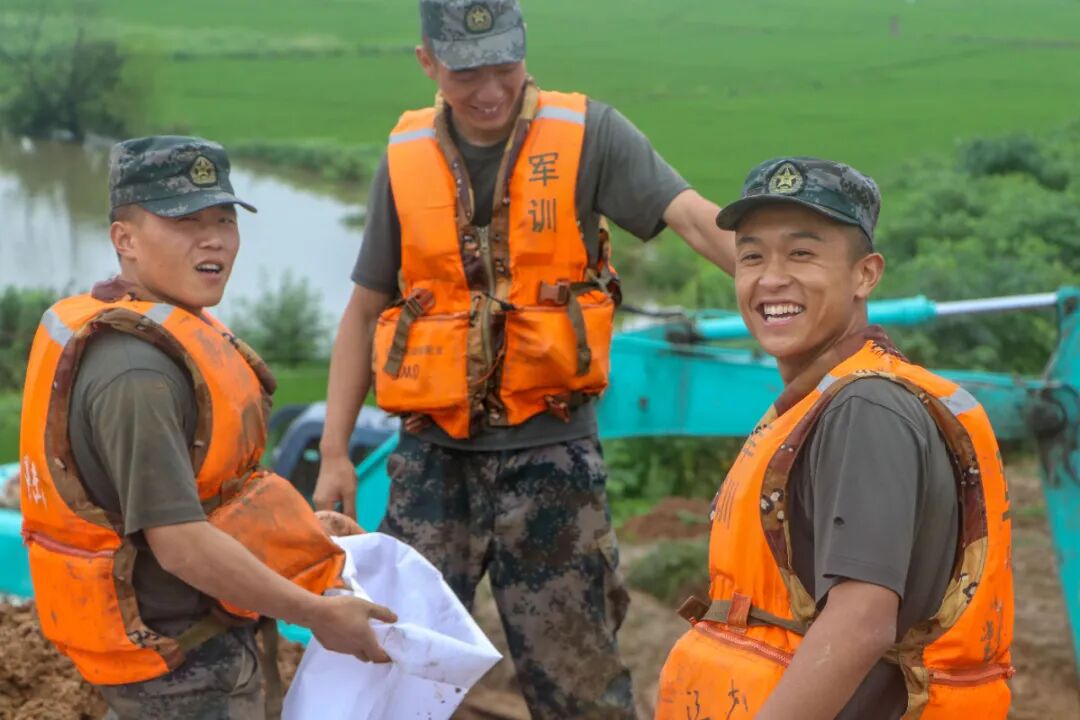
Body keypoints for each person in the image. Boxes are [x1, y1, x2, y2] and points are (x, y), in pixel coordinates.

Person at [312, 0, 737, 715]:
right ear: (427, 63)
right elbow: (362, 311)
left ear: (524, 49)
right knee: (396, 671)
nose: (490, 91)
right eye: (466, 73)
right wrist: (333, 454)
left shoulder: (590, 134)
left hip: (553, 461)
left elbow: (693, 217)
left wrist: (776, 278)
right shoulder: (406, 156)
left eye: (504, 67)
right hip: (432, 462)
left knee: (578, 685)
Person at [19, 136, 396, 720]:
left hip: (196, 645)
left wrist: (302, 531)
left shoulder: (163, 329)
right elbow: (182, 546)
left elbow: (211, 495)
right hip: (182, 671)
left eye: (224, 219)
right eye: (185, 222)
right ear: (125, 239)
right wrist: (318, 614)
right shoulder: (137, 374)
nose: (214, 238)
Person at [655, 157, 1014, 719]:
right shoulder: (832, 401)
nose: (771, 278)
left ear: (865, 275)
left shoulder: (865, 409)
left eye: (802, 253)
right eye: (752, 256)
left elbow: (860, 621)